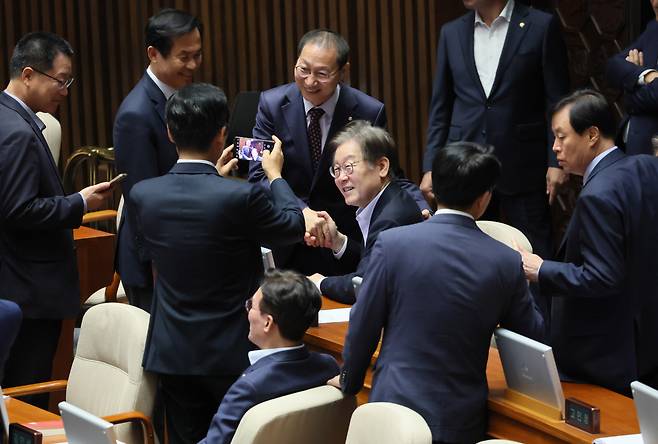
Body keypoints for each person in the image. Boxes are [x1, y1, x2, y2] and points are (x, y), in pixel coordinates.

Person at [334, 142, 545, 443]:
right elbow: (531, 337)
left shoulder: (392, 245)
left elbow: (364, 323)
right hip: (458, 420)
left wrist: (349, 381)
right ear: (484, 199)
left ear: (433, 189)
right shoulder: (506, 262)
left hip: (391, 414)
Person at [130, 83, 304, 444]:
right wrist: (275, 175)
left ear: (169, 131)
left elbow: (150, 253)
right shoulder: (241, 196)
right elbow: (291, 226)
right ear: (221, 133)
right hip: (231, 351)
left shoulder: (143, 194)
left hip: (173, 350)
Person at [250, 29, 428, 275]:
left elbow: (388, 173)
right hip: (287, 237)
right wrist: (302, 212)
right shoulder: (271, 104)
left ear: (343, 72)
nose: (310, 81)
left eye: (322, 74)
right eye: (303, 70)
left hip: (343, 241)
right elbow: (259, 174)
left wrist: (420, 204)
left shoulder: (368, 110)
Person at [517, 89, 658, 394]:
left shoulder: (598, 194)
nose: (554, 148)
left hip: (606, 353)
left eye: (561, 137)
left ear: (592, 135)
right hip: (646, 339)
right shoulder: (646, 167)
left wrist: (541, 270)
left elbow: (602, 276)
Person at [0, 32, 111, 408]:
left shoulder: (6, 116)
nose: (65, 90)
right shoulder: (17, 132)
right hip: (29, 289)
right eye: (60, 80)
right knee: (27, 395)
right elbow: (18, 209)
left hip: (13, 282)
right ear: (28, 74)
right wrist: (78, 202)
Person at [420, 0, 570, 259]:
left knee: (534, 251)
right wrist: (431, 166)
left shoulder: (540, 26)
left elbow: (556, 101)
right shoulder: (452, 32)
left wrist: (556, 160)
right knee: (468, 255)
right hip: (466, 165)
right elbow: (440, 106)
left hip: (523, 163)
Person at [114, 8, 203, 312]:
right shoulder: (135, 114)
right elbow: (141, 199)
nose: (193, 65)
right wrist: (157, 263)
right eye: (184, 57)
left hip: (178, 251)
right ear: (154, 54)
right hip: (153, 263)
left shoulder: (179, 95)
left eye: (197, 55)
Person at [200, 269, 339, 444]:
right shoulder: (328, 367)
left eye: (251, 305)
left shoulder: (247, 388)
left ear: (267, 323)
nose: (247, 311)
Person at [307, 121, 423, 304]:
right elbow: (369, 263)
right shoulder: (385, 201)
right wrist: (338, 241)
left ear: (382, 166)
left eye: (349, 166)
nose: (341, 178)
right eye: (336, 169)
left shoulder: (391, 218)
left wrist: (321, 283)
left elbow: (366, 284)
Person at [605, 0, 658, 155]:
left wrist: (630, 87)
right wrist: (645, 75)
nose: (655, 3)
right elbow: (613, 66)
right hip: (633, 150)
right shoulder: (654, 28)